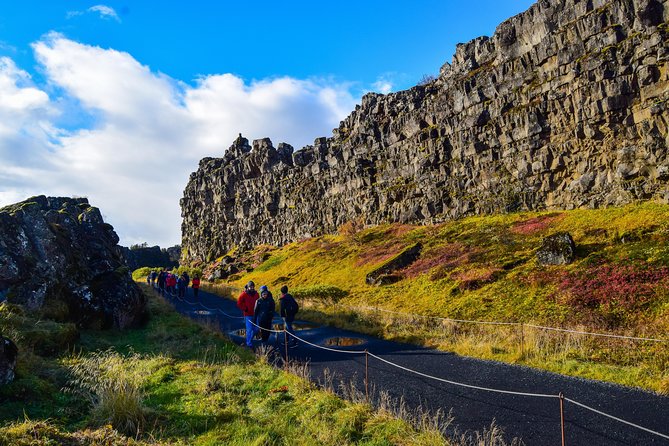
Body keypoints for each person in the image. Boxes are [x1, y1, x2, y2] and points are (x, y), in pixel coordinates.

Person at [237, 281, 260, 348]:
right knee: (249, 329)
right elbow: (239, 303)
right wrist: (245, 308)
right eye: (250, 287)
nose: (252, 288)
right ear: (248, 287)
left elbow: (259, 302)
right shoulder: (244, 294)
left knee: (256, 329)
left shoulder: (256, 294)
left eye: (253, 287)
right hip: (248, 315)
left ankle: (250, 339)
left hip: (255, 314)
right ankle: (249, 343)